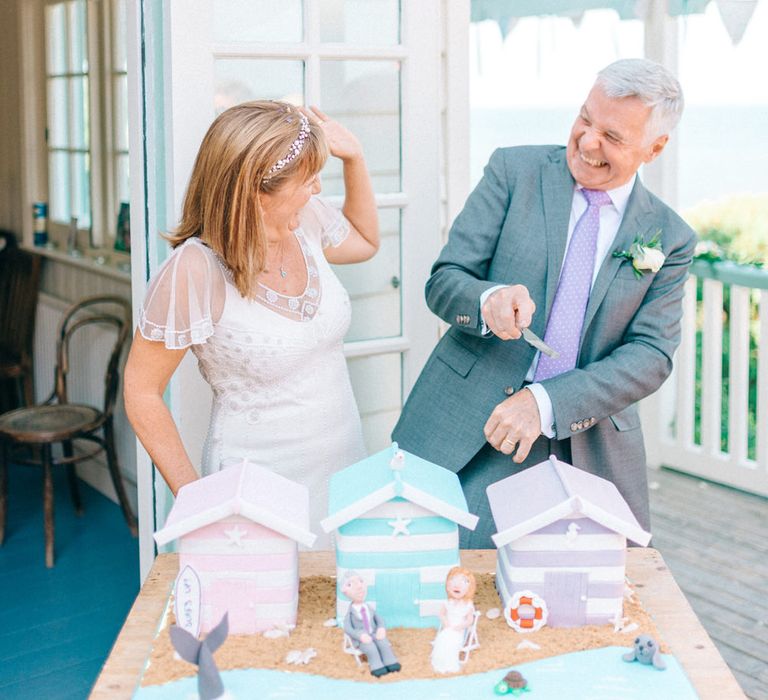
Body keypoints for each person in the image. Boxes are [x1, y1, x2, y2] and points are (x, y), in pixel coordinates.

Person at [393, 58, 697, 547]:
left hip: (586, 440)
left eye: (613, 137)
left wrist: (546, 402)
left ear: (655, 148)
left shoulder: (670, 237)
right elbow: (445, 281)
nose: (588, 141)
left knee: (585, 593)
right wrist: (487, 299)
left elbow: (652, 356)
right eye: (585, 119)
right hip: (470, 423)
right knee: (444, 565)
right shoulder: (514, 171)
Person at [124, 101, 379, 546]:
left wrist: (354, 157)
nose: (318, 189)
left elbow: (365, 241)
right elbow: (141, 391)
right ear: (256, 192)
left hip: (343, 465)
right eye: (307, 179)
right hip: (258, 488)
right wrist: (200, 503)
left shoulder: (306, 222)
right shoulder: (193, 270)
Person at [341, 571, 401, 677]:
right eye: (351, 584)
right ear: (345, 591)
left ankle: (390, 661)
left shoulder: (368, 608)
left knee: (383, 643)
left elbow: (379, 619)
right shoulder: (350, 613)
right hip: (362, 638)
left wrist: (381, 628)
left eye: (360, 582)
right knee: (371, 648)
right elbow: (347, 628)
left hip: (373, 633)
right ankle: (376, 665)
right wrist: (359, 636)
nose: (359, 587)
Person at [431, 566, 477, 674]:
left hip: (459, 630)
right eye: (453, 581)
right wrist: (446, 623)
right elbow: (441, 614)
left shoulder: (467, 605)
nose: (457, 585)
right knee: (442, 639)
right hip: (448, 627)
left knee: (451, 641)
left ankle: (450, 663)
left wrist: (460, 626)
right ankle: (440, 662)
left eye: (462, 582)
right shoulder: (448, 602)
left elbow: (470, 620)